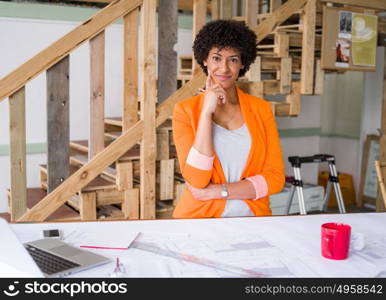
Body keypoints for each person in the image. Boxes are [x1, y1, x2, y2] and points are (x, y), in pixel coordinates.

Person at [172, 20, 285, 218]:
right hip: (200, 219)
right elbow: (197, 180)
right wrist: (206, 113)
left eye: (232, 60)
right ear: (205, 60)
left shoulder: (261, 110)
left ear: (242, 63)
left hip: (253, 220)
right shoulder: (185, 111)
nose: (224, 68)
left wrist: (218, 191)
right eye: (216, 58)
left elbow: (275, 179)